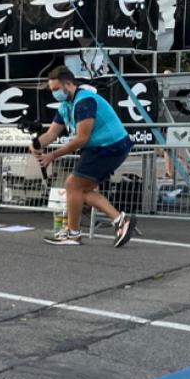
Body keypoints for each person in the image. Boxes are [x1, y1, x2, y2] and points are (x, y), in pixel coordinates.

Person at [31, 66, 135, 247]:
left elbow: (81, 138)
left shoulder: (84, 102)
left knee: (72, 184)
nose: (54, 93)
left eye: (56, 89)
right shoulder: (65, 106)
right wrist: (36, 145)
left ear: (68, 84)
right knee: (81, 191)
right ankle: (120, 220)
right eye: (52, 90)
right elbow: (51, 134)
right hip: (103, 148)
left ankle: (73, 234)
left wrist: (52, 155)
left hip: (109, 147)